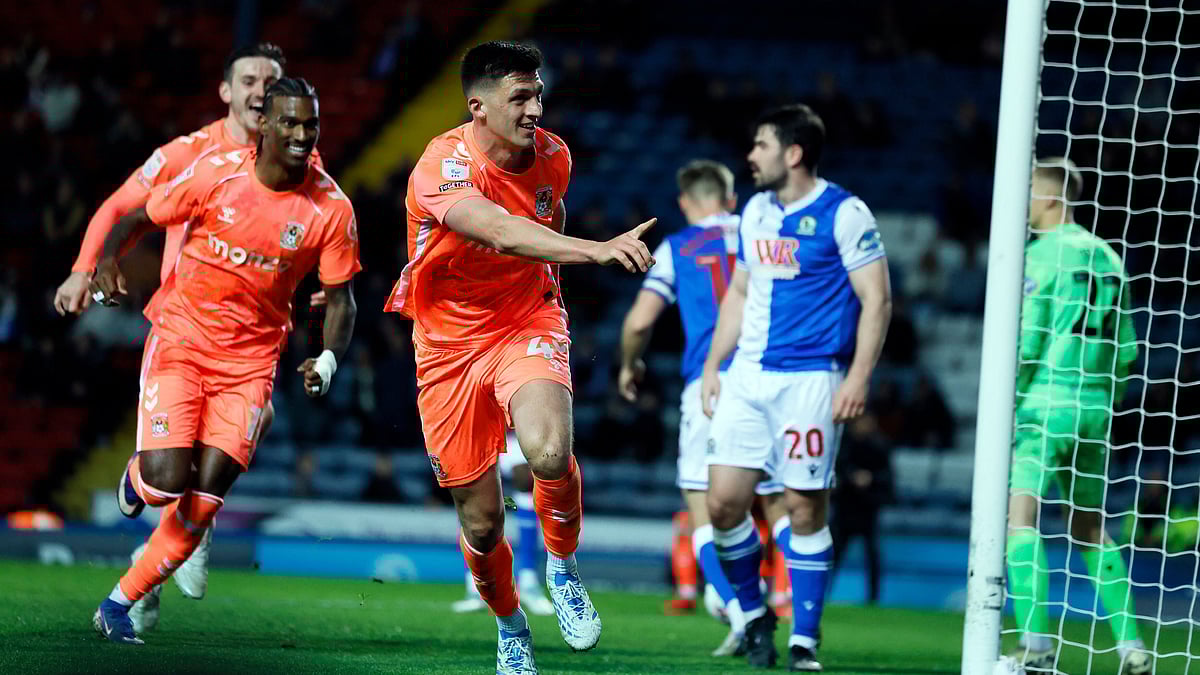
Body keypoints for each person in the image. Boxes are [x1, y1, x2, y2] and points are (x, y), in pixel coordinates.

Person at [383, 40, 656, 675]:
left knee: (549, 451)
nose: (535, 108)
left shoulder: (555, 156)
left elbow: (533, 238)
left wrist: (569, 264)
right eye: (520, 97)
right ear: (477, 105)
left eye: (538, 94)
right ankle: (510, 625)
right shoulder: (441, 164)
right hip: (447, 346)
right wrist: (596, 249)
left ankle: (562, 568)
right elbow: (503, 231)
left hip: (526, 318)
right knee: (481, 524)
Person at [51, 42, 314, 634]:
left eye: (270, 81)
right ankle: (159, 505)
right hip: (185, 327)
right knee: (175, 477)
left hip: (254, 339)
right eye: (248, 80)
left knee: (240, 440)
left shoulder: (296, 156)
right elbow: (122, 207)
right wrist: (84, 268)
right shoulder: (188, 154)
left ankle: (149, 575)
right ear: (226, 91)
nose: (259, 90)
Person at [88, 77, 360, 646]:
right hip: (182, 342)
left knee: (204, 499)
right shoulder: (216, 175)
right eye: (289, 122)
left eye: (310, 124)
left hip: (251, 366)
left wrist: (329, 359)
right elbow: (139, 215)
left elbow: (341, 300)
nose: (301, 134)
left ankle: (118, 604)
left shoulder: (331, 208)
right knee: (166, 483)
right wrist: (109, 259)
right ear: (264, 126)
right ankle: (138, 480)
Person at [701, 103, 891, 671]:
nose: (750, 156)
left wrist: (858, 376)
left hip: (810, 380)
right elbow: (739, 291)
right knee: (722, 504)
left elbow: (877, 299)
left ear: (794, 152)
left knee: (805, 509)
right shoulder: (756, 210)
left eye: (760, 145)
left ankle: (804, 640)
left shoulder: (845, 213)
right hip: (748, 375)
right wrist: (713, 364)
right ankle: (755, 614)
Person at [617, 159, 784, 656]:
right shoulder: (762, 233)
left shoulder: (678, 247)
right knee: (779, 506)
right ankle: (796, 624)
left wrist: (629, 365)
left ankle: (742, 613)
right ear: (731, 199)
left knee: (702, 508)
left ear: (685, 202)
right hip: (771, 379)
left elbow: (639, 322)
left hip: (709, 385)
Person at [1006, 157, 1150, 674]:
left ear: (1050, 197)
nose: (1023, 204)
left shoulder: (1040, 256)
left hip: (1046, 400)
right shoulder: (1109, 257)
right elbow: (1127, 348)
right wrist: (1105, 404)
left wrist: (1010, 399)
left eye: (1029, 193)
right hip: (1095, 406)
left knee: (1020, 518)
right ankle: (1132, 646)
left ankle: (1036, 645)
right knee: (1090, 526)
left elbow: (1029, 339)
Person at [452, 430, 554, 617]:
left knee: (525, 480)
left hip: (512, 434)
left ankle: (528, 582)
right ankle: (475, 588)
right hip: (477, 433)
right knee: (469, 493)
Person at [830, 413, 892, 605]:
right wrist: (851, 478)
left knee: (872, 557)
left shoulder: (880, 446)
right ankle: (823, 593)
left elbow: (888, 479)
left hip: (868, 511)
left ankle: (873, 598)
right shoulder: (842, 445)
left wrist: (871, 479)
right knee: (833, 555)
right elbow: (835, 472)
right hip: (845, 510)